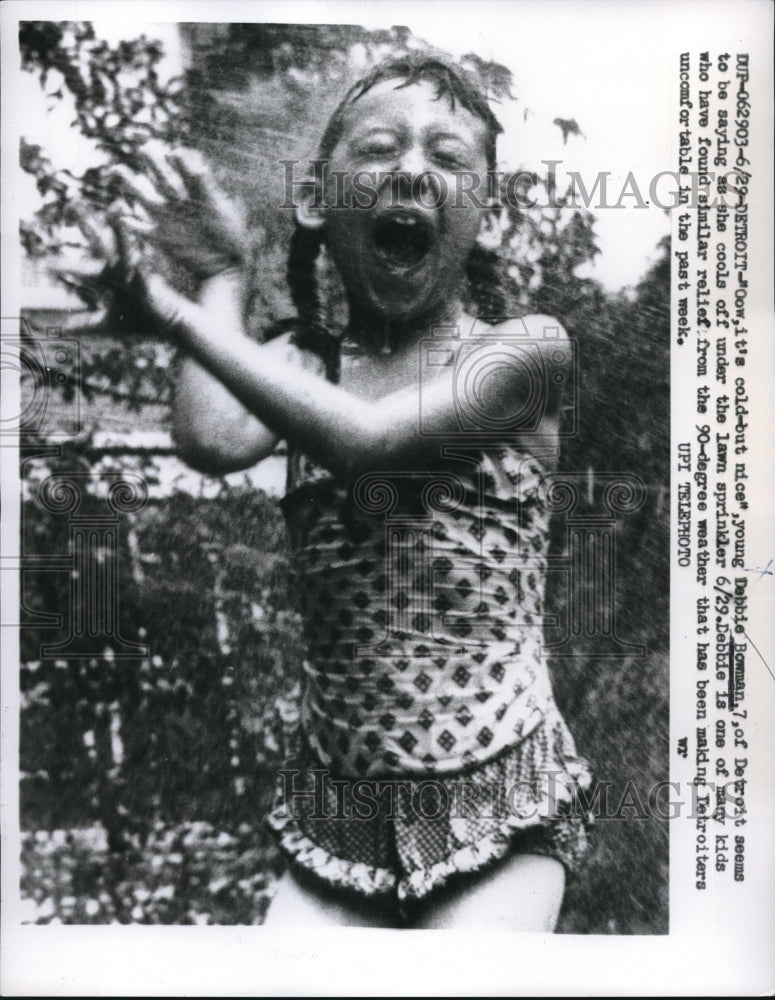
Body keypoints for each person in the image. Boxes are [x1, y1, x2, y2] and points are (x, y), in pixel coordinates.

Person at [77, 52, 591, 930]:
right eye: (380, 148)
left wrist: (173, 313)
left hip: (498, 793)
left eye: (448, 156)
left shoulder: (521, 353)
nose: (410, 171)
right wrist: (222, 276)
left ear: (486, 211)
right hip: (338, 808)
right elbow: (208, 439)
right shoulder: (299, 366)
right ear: (318, 201)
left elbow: (367, 447)